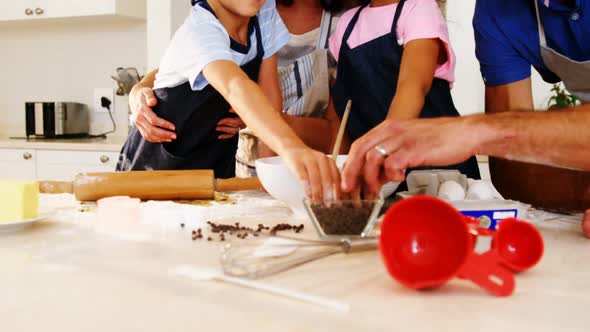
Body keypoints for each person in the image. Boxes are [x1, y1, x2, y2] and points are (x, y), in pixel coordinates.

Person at [341, 0, 590, 237]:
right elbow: (514, 171)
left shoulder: (418, 11)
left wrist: (478, 131)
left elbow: (413, 86)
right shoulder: (499, 10)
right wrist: (583, 192)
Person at [117, 0, 341, 203]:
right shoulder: (199, 31)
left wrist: (271, 182)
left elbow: (270, 100)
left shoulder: (265, 13)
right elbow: (234, 85)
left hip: (215, 170)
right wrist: (293, 148)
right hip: (154, 173)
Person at [328, 0, 480, 197]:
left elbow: (412, 86)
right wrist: (338, 175)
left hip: (439, 172)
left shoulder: (419, 8)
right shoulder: (346, 25)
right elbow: (339, 118)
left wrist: (382, 150)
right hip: (381, 178)